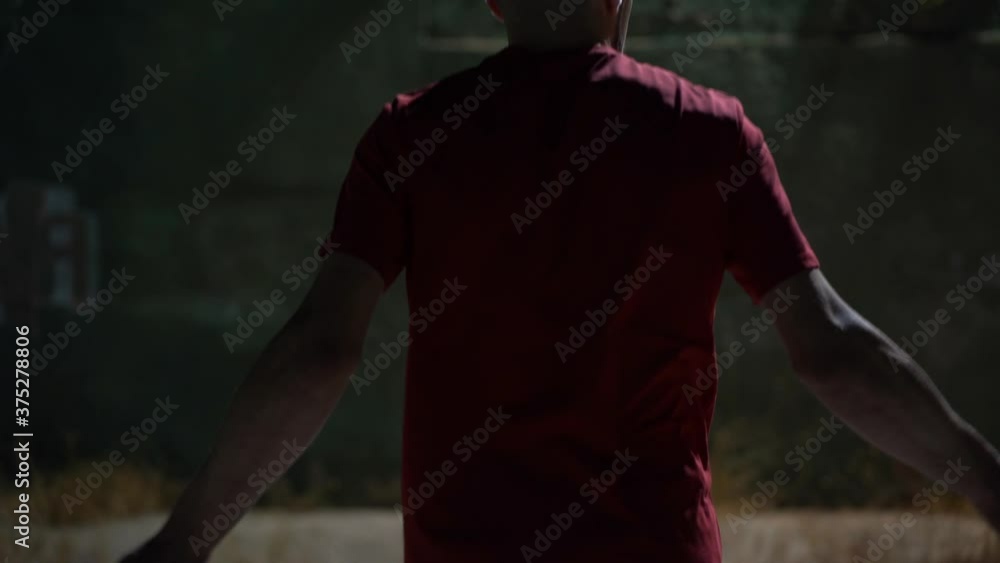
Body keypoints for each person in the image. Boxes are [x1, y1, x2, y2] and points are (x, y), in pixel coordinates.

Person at [123, 1, 1000, 562]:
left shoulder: (412, 138)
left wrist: (182, 544)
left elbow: (319, 351)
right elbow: (835, 350)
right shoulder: (709, 134)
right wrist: (988, 484)